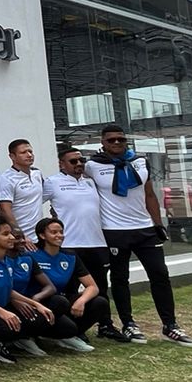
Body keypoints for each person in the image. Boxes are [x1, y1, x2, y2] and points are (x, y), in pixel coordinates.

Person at [84, 124, 192, 346]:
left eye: (120, 139)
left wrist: (157, 224)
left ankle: (170, 325)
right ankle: (128, 324)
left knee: (160, 275)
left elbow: (150, 195)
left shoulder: (140, 162)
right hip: (114, 230)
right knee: (119, 278)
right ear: (103, 143)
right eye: (111, 140)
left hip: (144, 229)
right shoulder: (93, 166)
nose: (116, 143)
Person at [42, 146, 122, 342]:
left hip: (96, 243)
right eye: (73, 161)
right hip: (69, 244)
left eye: (81, 161)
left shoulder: (90, 183)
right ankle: (73, 329)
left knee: (100, 288)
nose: (79, 164)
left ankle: (105, 325)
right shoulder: (52, 183)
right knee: (70, 290)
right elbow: (33, 202)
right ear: (61, 164)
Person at [0, 210, 56, 360]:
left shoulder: (5, 260)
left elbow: (8, 289)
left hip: (0, 308)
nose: (12, 238)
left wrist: (35, 304)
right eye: (6, 234)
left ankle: (1, 341)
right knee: (7, 327)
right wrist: (1, 311)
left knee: (41, 318)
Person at [31, 217, 108, 351]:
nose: (59, 236)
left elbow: (92, 287)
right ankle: (40, 334)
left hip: (62, 301)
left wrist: (81, 301)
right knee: (60, 303)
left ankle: (70, 335)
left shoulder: (70, 256)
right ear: (42, 235)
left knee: (100, 302)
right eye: (54, 232)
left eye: (61, 232)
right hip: (39, 303)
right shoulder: (32, 255)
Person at [0, 139, 45, 252]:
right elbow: (5, 209)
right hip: (22, 240)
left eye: (30, 151)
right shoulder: (7, 179)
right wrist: (20, 235)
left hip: (39, 236)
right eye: (23, 152)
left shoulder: (37, 174)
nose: (29, 155)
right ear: (12, 156)